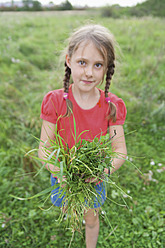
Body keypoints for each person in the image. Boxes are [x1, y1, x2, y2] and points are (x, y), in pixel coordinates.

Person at [38, 24, 127, 248]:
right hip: (63, 175)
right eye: (82, 62)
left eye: (98, 65)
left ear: (107, 68)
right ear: (69, 60)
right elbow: (45, 148)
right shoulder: (55, 101)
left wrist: (103, 171)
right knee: (68, 207)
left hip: (93, 176)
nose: (89, 72)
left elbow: (120, 151)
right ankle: (73, 217)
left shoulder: (111, 105)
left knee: (91, 217)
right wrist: (60, 171)